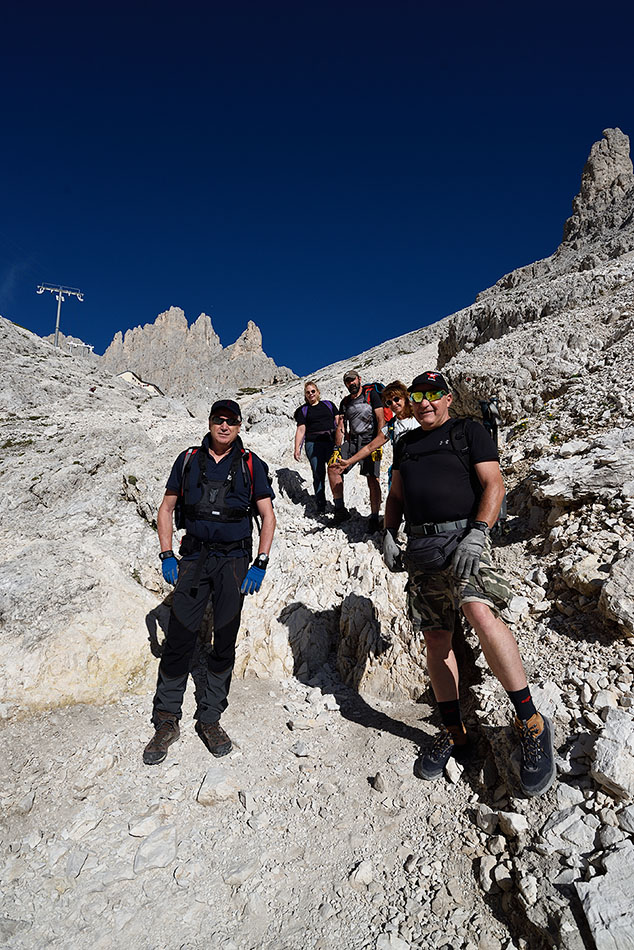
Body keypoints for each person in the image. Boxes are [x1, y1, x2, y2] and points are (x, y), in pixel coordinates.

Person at [383, 371, 555, 797]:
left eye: (433, 395)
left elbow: (494, 483)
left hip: (465, 541)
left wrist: (479, 531)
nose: (425, 403)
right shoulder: (404, 445)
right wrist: (387, 532)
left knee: (479, 610)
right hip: (422, 552)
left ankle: (530, 720)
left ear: (448, 398)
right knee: (436, 639)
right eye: (418, 396)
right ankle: (453, 730)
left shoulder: (467, 430)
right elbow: (397, 497)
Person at [143, 398, 276, 765]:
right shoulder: (187, 459)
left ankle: (211, 718)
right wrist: (167, 554)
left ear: (238, 426)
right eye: (219, 420)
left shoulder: (252, 464)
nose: (224, 426)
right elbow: (167, 508)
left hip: (234, 561)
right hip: (193, 558)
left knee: (225, 637)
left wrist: (260, 563)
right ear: (210, 422)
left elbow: (267, 516)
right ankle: (166, 720)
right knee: (180, 637)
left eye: (231, 422)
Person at [330, 380, 419, 489]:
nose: (393, 404)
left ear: (405, 397)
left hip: (424, 468)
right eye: (389, 402)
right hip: (403, 472)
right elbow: (370, 447)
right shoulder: (390, 426)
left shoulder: (420, 417)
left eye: (396, 399)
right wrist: (349, 462)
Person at [327, 368, 385, 531]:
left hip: (370, 439)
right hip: (352, 441)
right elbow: (341, 426)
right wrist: (337, 448)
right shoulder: (345, 402)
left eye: (352, 380)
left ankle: (374, 517)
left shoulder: (371, 395)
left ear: (359, 379)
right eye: (347, 381)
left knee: (372, 478)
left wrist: (378, 442)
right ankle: (340, 510)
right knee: (333, 468)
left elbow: (381, 418)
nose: (350, 383)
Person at [293, 380, 340, 513]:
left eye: (313, 391)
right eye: (308, 392)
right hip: (313, 444)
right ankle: (321, 504)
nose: (311, 394)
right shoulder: (304, 410)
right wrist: (297, 448)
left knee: (335, 471)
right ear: (305, 395)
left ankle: (338, 504)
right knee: (318, 473)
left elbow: (338, 421)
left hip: (330, 442)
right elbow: (301, 430)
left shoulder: (329, 405)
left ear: (318, 392)